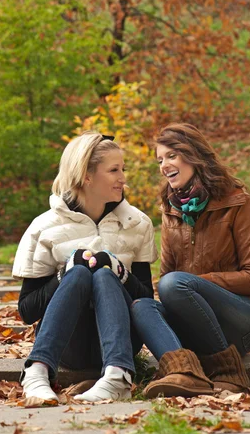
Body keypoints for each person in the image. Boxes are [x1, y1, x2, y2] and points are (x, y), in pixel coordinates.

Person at [12, 132, 158, 402]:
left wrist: (118, 271)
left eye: (122, 169)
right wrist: (64, 272)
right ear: (86, 176)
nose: (123, 178)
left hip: (122, 340)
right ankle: (36, 373)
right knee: (79, 271)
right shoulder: (44, 227)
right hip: (70, 344)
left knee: (104, 274)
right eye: (114, 170)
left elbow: (146, 301)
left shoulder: (137, 223)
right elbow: (27, 310)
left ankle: (117, 377)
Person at [131, 123, 250, 397]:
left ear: (194, 154)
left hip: (242, 319)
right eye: (159, 160)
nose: (163, 165)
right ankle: (185, 373)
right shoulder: (170, 209)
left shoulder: (237, 202)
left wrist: (195, 285)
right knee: (141, 307)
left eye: (171, 156)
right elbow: (167, 278)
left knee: (173, 284)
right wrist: (185, 288)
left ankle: (229, 371)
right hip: (193, 320)